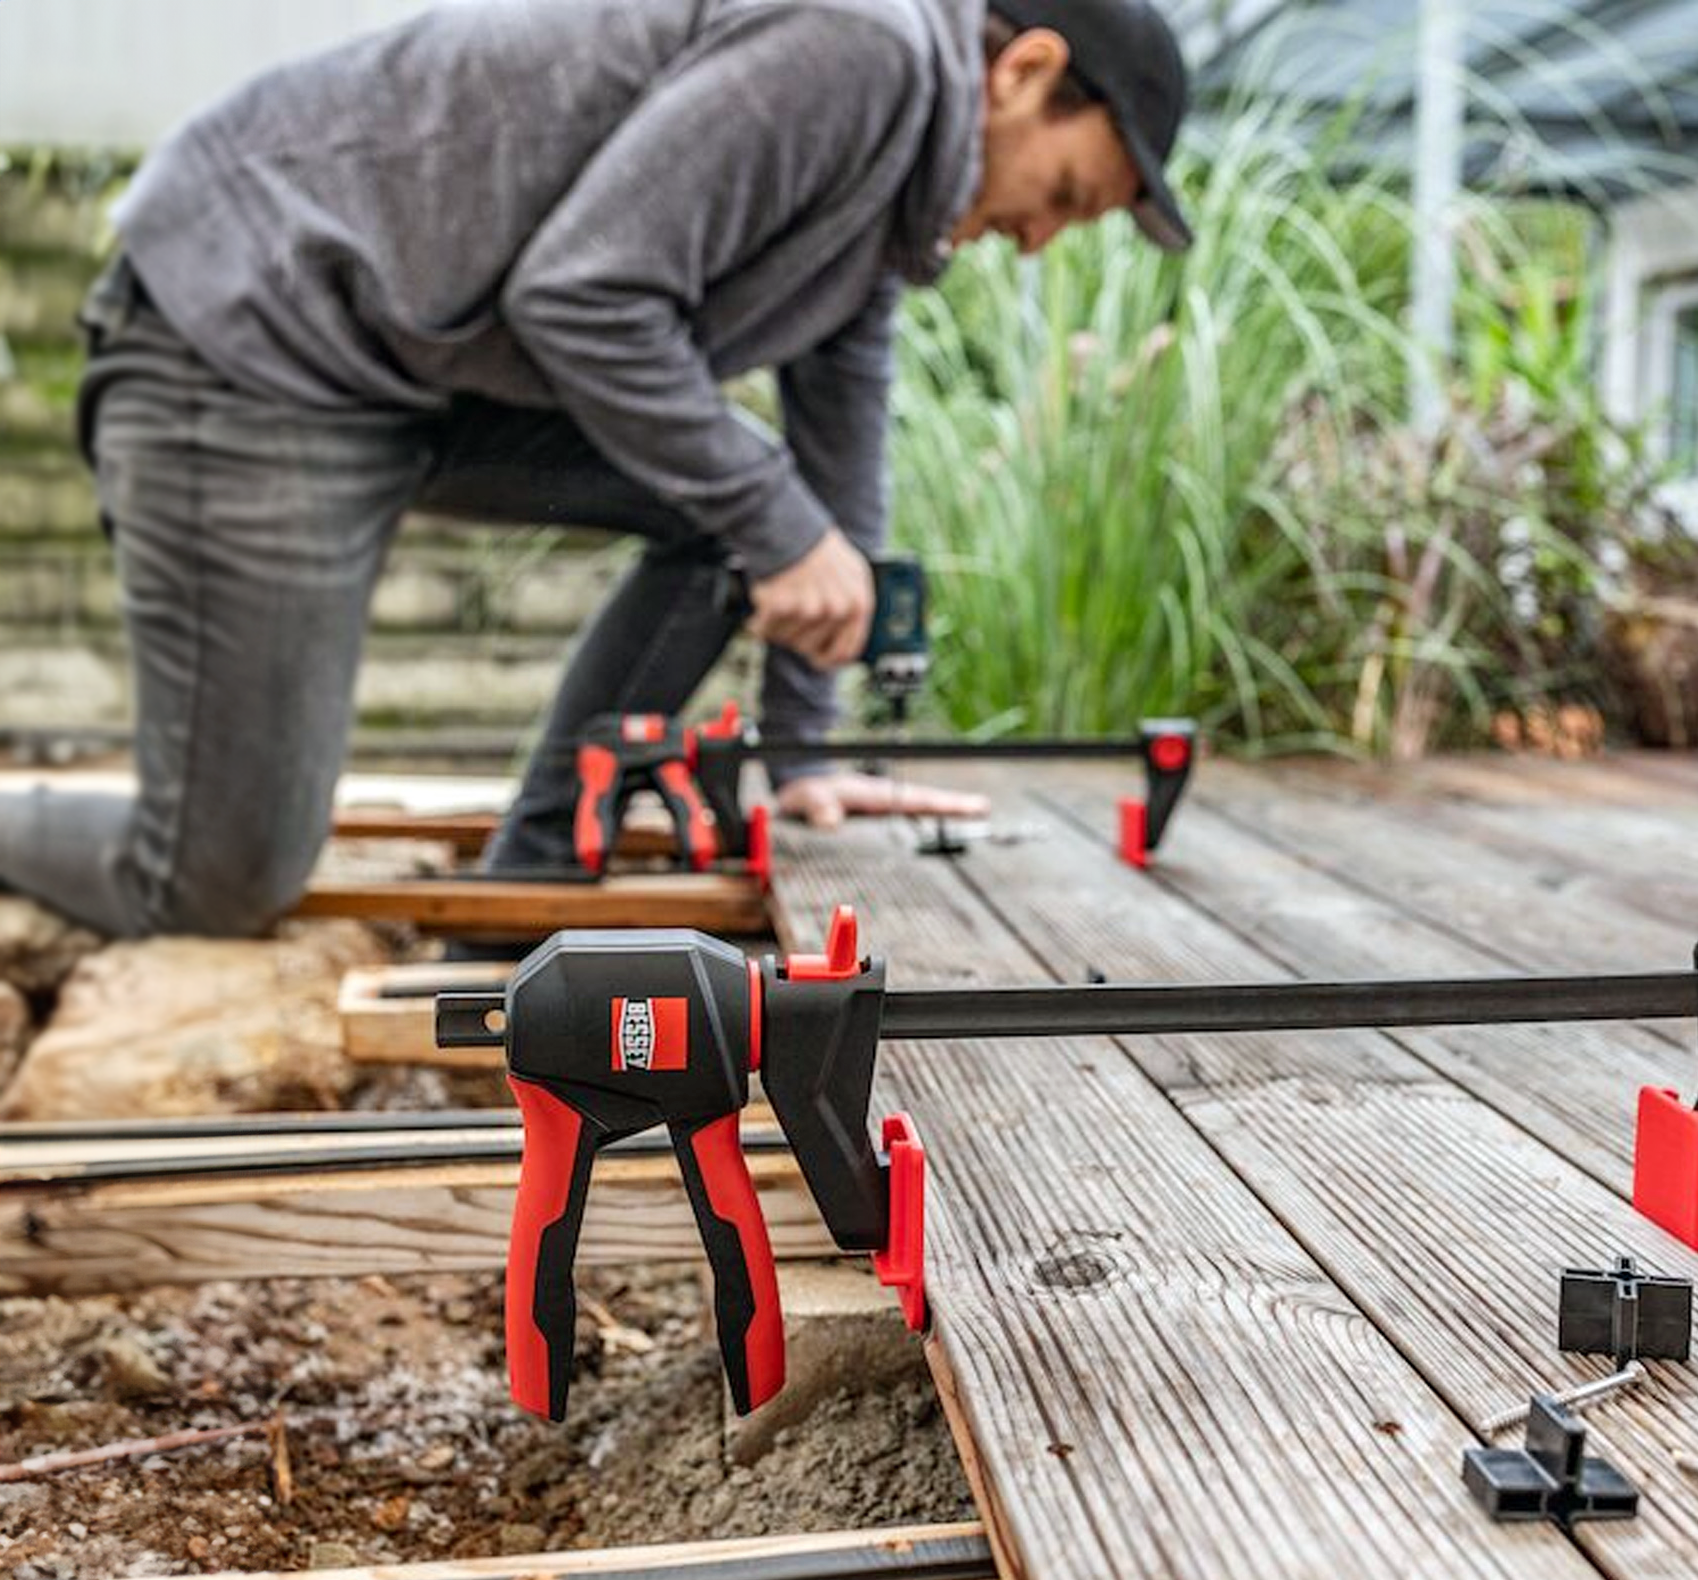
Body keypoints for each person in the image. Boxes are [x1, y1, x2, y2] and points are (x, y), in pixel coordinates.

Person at [0, 0, 1191, 938]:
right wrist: (780, 525)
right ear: (1024, 71)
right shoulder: (858, 46)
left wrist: (804, 751)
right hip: (251, 338)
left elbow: (836, 454)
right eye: (1066, 194)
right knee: (219, 875)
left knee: (745, 507)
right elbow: (584, 293)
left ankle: (520, 896)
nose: (1038, 240)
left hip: (415, 373)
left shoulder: (891, 200)